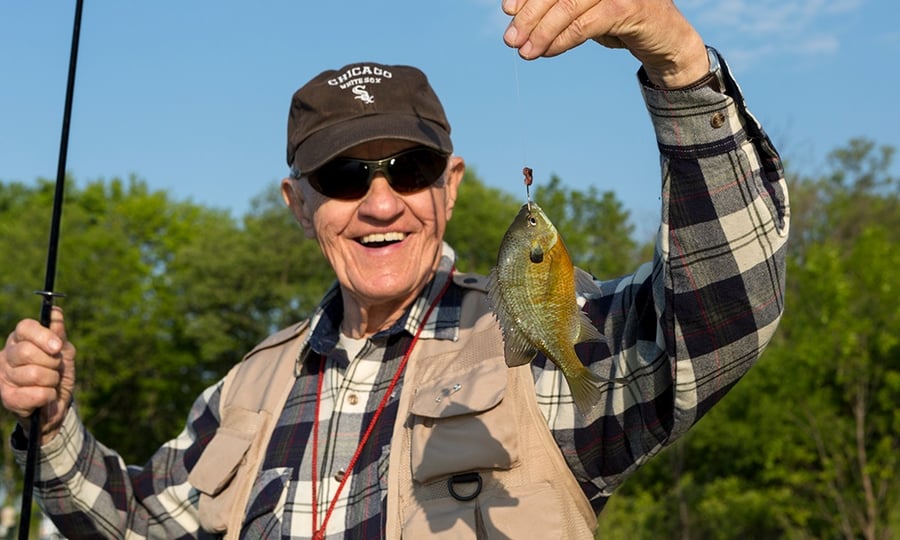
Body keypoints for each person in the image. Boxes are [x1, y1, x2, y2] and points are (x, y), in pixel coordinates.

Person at [0, 0, 789, 538]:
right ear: (298, 203)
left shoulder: (528, 339)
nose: (381, 203)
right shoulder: (243, 388)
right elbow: (133, 523)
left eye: (409, 168)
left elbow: (727, 316)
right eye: (344, 178)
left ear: (450, 186)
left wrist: (680, 65)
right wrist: (50, 422)